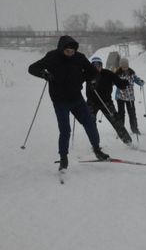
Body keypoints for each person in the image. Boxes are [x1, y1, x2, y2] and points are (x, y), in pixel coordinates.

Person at [27, 35, 111, 169]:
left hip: (76, 98)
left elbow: (94, 72)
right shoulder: (52, 57)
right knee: (65, 129)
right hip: (60, 101)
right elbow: (32, 68)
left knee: (89, 122)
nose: (70, 54)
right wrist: (44, 74)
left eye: (73, 51)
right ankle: (63, 158)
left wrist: (88, 79)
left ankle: (97, 150)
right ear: (61, 49)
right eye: (68, 51)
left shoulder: (79, 57)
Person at [86, 56, 132, 145]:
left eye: (98, 65)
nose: (96, 67)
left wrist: (125, 83)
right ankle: (95, 144)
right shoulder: (87, 74)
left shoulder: (108, 73)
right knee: (90, 122)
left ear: (101, 65)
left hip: (106, 102)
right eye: (94, 65)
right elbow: (76, 80)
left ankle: (128, 141)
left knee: (116, 120)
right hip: (91, 102)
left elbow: (119, 83)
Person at [114, 57, 145, 135]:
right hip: (120, 97)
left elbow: (137, 80)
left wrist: (141, 82)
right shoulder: (117, 74)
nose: (125, 67)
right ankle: (121, 130)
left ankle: (135, 129)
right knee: (121, 113)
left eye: (126, 65)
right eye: (123, 65)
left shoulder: (131, 73)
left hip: (130, 97)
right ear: (120, 66)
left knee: (132, 113)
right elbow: (113, 81)